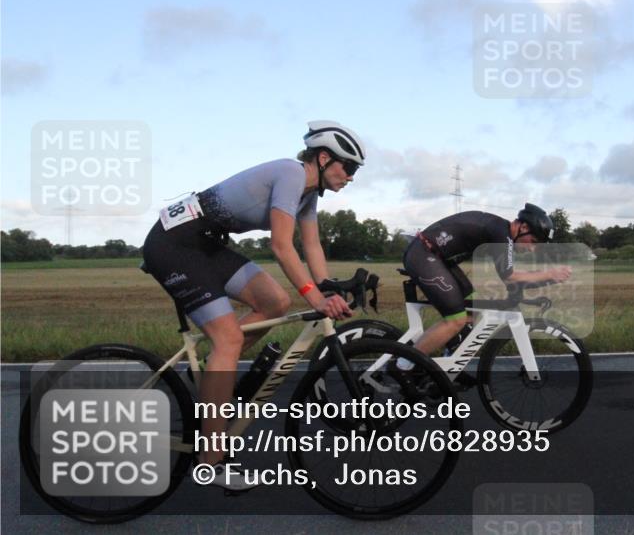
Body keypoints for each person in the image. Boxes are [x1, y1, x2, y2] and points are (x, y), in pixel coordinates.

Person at [141, 120, 365, 491]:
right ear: (324, 158)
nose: (351, 177)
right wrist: (314, 297)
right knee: (228, 339)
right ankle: (211, 462)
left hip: (205, 245)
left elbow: (311, 247)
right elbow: (281, 245)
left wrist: (326, 290)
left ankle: (215, 377)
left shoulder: (309, 195)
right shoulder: (292, 175)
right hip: (174, 245)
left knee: (275, 301)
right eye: (349, 167)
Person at [393, 204, 571, 384]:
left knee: (472, 307)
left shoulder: (502, 233)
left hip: (438, 258)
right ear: (523, 227)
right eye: (533, 242)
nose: (532, 249)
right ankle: (402, 366)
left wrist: (541, 282)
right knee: (456, 320)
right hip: (424, 255)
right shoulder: (501, 234)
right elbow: (510, 277)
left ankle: (450, 365)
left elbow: (510, 279)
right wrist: (550, 274)